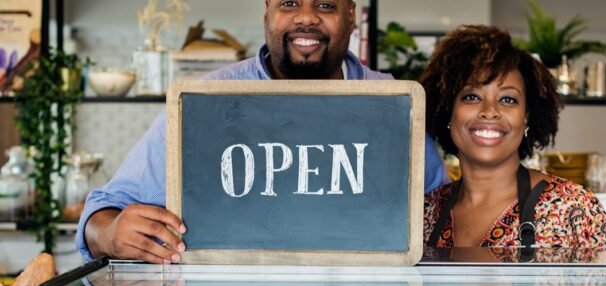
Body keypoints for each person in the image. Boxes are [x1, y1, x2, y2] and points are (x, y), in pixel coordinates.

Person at [77, 0, 449, 264]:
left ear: (351, 16)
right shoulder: (205, 101)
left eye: (325, 6)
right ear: (267, 12)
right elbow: (101, 212)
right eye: (289, 3)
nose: (306, 18)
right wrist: (109, 234)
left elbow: (444, 214)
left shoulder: (394, 104)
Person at [419, 25, 606, 250]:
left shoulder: (572, 209)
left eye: (508, 99)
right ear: (448, 111)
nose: (489, 111)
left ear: (526, 117)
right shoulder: (425, 212)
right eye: (472, 96)